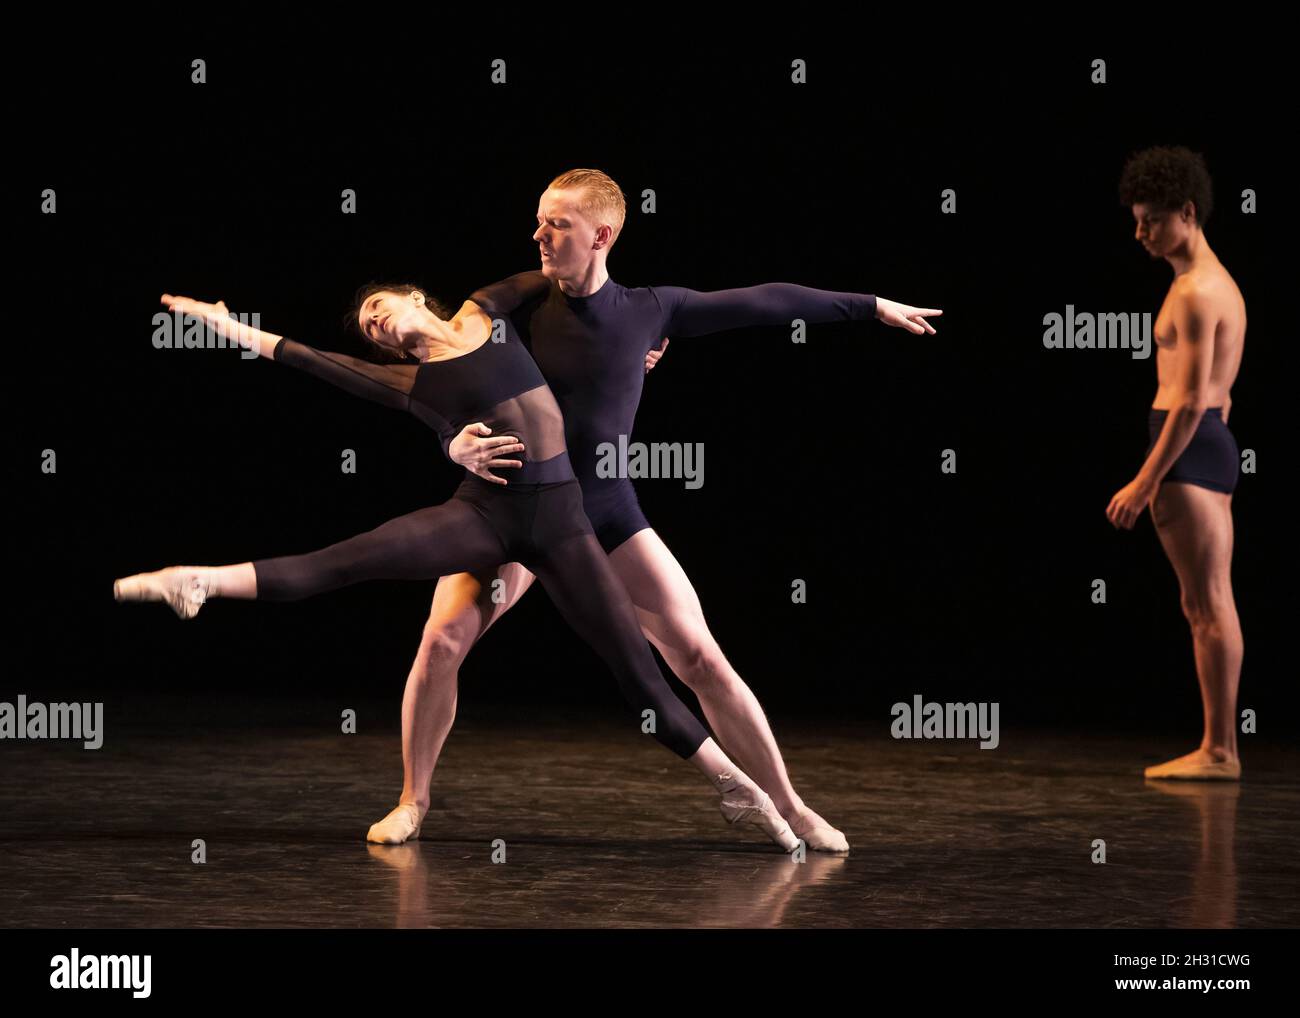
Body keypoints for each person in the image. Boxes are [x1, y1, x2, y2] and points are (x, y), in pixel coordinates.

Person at [115, 289, 803, 852]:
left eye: (380, 306)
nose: (376, 322)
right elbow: (303, 357)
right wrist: (226, 323)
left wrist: (630, 348)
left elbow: (578, 285)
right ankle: (201, 580)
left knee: (639, 674)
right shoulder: (408, 379)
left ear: (417, 297)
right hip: (484, 518)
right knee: (356, 565)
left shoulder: (486, 310)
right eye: (370, 327)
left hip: (566, 523)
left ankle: (738, 787)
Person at [378, 168, 943, 849]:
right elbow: (443, 376)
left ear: (602, 235)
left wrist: (870, 305)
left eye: (554, 224)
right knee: (440, 642)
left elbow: (763, 302)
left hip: (607, 511)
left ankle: (791, 808)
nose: (538, 235)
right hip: (516, 508)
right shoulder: (513, 307)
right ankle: (413, 800)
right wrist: (453, 445)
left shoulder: (649, 309)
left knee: (701, 657)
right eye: (537, 220)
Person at [1107, 146, 1246, 780]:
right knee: (1208, 603)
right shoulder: (1221, 287)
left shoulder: (1193, 292)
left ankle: (1219, 750)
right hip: (1210, 443)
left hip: (1188, 446)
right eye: (1136, 220)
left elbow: (1190, 400)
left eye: (1150, 220)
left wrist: (1145, 479)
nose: (1140, 233)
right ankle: (1219, 746)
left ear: (1186, 213)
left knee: (1206, 604)